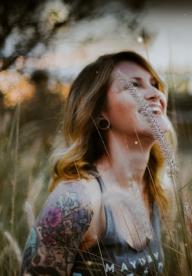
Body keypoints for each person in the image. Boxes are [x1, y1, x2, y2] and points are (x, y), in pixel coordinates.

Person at [20, 51, 176, 275]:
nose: (154, 94)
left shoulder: (159, 191)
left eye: (154, 84)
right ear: (101, 113)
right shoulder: (76, 201)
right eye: (134, 85)